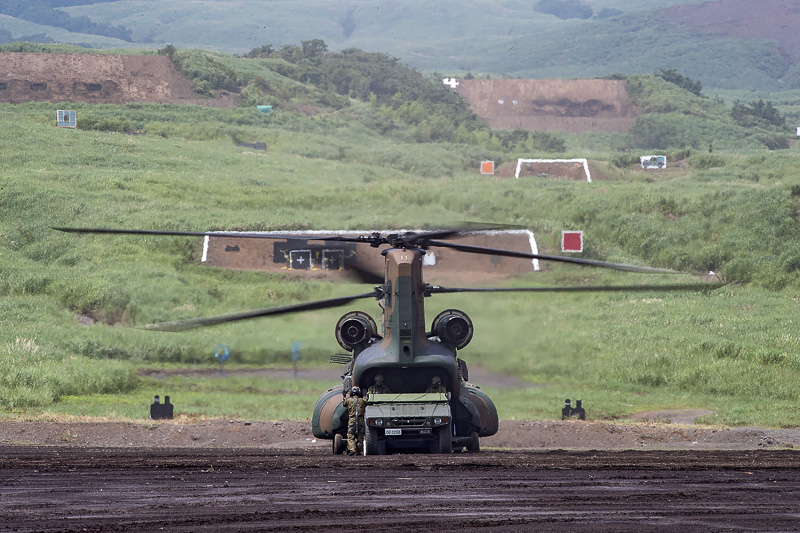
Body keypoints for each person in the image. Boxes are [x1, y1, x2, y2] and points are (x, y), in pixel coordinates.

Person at [343, 386, 367, 455]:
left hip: (352, 419)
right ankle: (359, 450)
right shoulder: (362, 401)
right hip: (361, 420)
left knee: (350, 435)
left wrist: (344, 396)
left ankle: (352, 449)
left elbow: (344, 403)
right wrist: (364, 395)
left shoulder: (349, 400)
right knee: (360, 435)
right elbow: (366, 402)